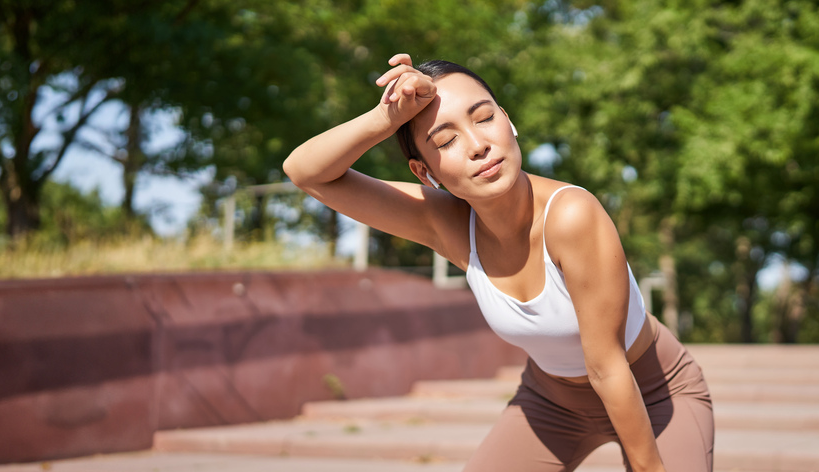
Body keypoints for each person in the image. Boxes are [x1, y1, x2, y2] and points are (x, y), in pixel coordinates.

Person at [283, 54, 714, 472]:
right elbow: (306, 172)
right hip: (551, 402)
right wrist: (387, 117)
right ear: (423, 172)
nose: (478, 146)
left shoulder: (572, 214)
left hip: (655, 390)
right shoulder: (446, 225)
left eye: (485, 117)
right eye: (446, 141)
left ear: (509, 120)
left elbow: (606, 365)